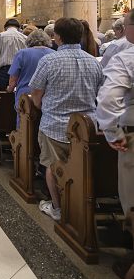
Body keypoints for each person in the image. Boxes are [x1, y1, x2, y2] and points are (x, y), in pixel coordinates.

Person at [29, 17, 104, 222]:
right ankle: (83, 204)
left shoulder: (49, 60)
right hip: (87, 127)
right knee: (84, 166)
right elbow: (100, 92)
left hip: (55, 124)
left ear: (57, 37)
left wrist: (42, 107)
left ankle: (58, 208)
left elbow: (36, 93)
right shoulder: (93, 61)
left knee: (54, 167)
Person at [96, 8, 134, 279]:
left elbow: (109, 99)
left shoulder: (125, 57)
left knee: (132, 199)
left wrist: (113, 134)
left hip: (132, 134)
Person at [7, 29, 52, 124]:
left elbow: (13, 78)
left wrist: (10, 89)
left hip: (25, 94)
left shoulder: (22, 53)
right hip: (46, 95)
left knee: (23, 123)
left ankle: (22, 137)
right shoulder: (53, 53)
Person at [0, 18, 26, 89]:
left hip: (4, 71)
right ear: (18, 28)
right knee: (19, 95)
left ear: (5, 27)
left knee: (2, 96)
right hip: (20, 71)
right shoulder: (25, 38)